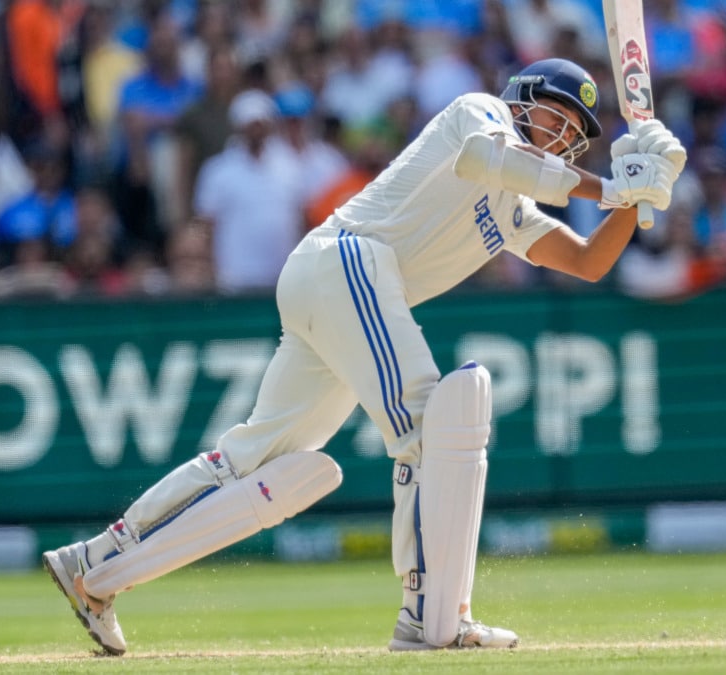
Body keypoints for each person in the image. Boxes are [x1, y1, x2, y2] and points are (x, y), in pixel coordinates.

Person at [42, 57, 686, 654]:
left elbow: (587, 260)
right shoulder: (478, 111)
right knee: (431, 426)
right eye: (556, 117)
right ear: (522, 100)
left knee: (256, 461)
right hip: (348, 261)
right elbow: (486, 161)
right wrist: (608, 186)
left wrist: (640, 196)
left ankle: (94, 567)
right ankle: (430, 615)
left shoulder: (514, 215)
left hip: (334, 285)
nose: (562, 136)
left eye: (574, 132)